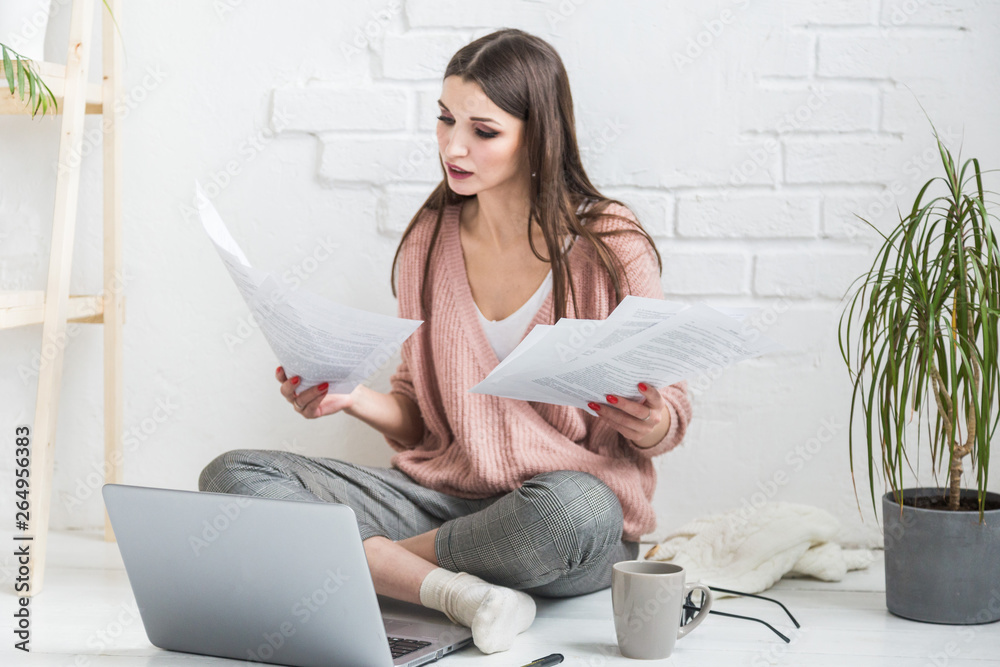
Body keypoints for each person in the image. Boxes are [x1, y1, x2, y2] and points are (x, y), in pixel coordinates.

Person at [198, 28, 691, 655]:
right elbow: (418, 421)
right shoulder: (430, 241)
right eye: (444, 119)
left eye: (483, 131)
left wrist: (650, 420)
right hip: (441, 505)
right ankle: (461, 594)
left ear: (538, 135)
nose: (452, 146)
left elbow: (668, 418)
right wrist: (350, 397)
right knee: (234, 476)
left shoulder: (610, 244)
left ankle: (366, 574)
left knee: (574, 509)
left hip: (560, 522)